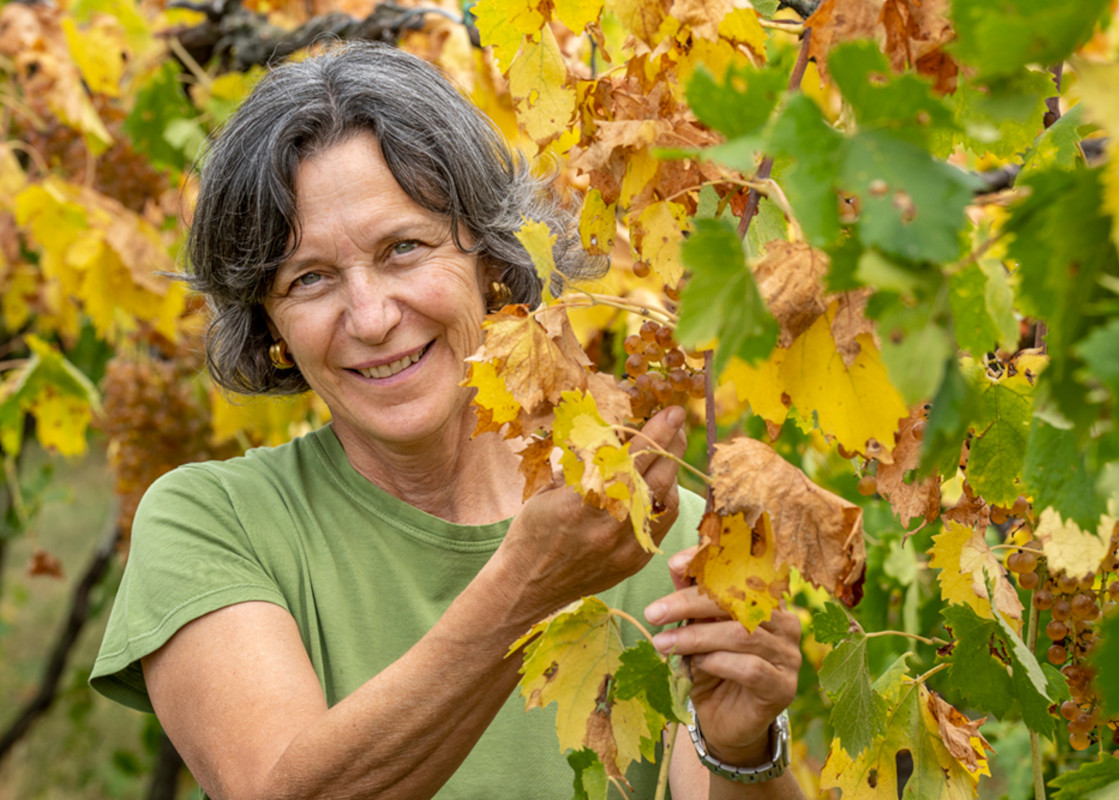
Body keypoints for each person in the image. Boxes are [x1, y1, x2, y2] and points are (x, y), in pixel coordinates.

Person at [90, 41, 802, 799]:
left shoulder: (649, 528)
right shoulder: (214, 522)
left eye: (403, 248)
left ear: (492, 261)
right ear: (270, 325)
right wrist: (525, 587)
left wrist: (743, 751)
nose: (369, 317)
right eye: (310, 278)